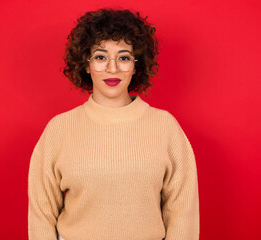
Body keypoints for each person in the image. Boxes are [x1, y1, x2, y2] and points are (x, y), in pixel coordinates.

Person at [28, 8, 199, 240]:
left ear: (136, 65)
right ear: (86, 65)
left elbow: (182, 212)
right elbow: (41, 213)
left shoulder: (165, 127)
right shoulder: (59, 129)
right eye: (100, 57)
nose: (112, 68)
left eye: (124, 57)